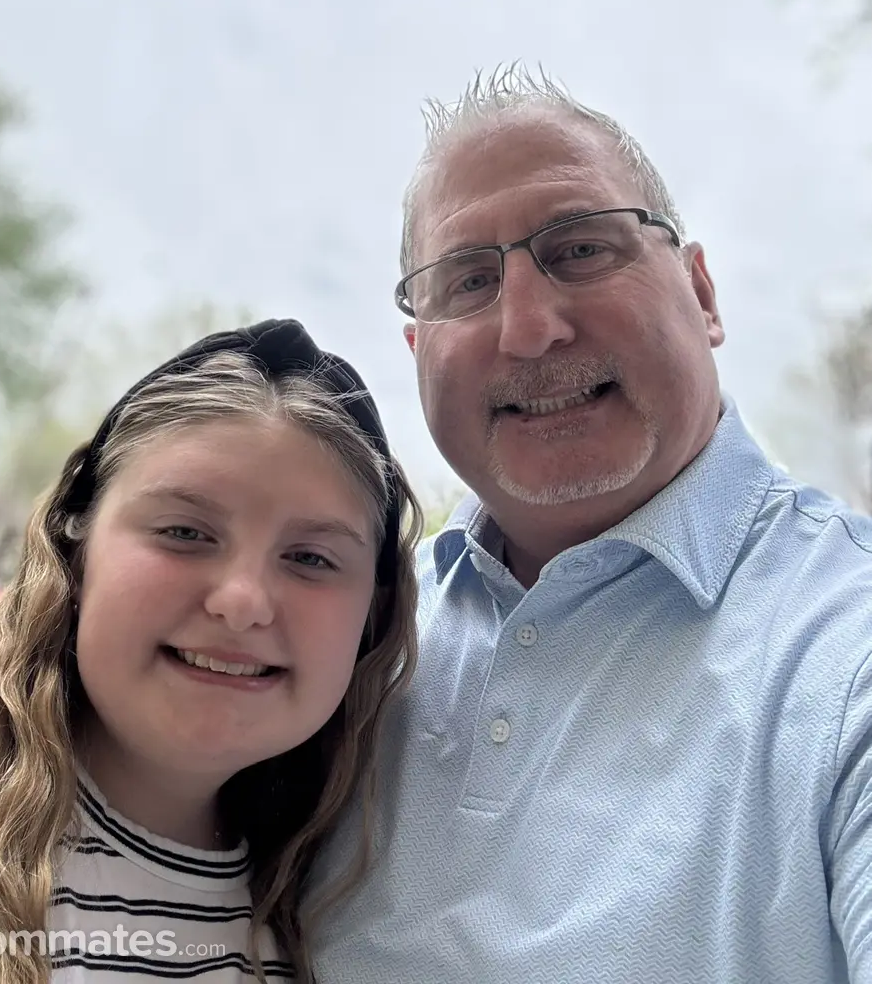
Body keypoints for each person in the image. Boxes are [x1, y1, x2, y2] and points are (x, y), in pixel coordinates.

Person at [311, 66, 872, 984]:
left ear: (701, 292)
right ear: (417, 349)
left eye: (578, 249)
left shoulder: (845, 652)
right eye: (467, 281)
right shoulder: (337, 643)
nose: (528, 328)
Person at [0, 319, 420, 983]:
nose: (242, 601)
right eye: (184, 532)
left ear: (371, 619)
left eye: (310, 558)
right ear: (75, 555)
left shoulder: (324, 930)